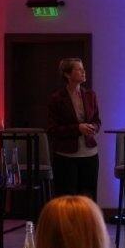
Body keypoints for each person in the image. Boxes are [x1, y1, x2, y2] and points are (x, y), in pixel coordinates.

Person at [47, 58, 101, 201]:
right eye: (79, 69)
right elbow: (53, 129)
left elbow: (97, 120)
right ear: (67, 74)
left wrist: (93, 127)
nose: (83, 72)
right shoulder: (57, 98)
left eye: (83, 68)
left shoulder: (90, 95)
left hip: (90, 153)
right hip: (66, 155)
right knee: (67, 199)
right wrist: (77, 128)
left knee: (88, 197)